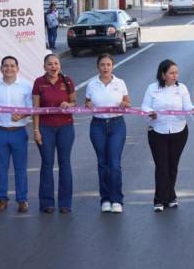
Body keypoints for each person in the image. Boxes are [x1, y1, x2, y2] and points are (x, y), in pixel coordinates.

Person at [143, 60, 194, 212]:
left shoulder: (181, 88)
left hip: (179, 131)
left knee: (173, 166)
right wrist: (150, 113)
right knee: (162, 167)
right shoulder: (152, 88)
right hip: (158, 131)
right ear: (163, 74)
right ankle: (159, 200)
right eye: (171, 73)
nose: (174, 75)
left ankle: (171, 196)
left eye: (176, 73)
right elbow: (145, 106)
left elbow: (188, 106)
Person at [0, 55, 33, 213]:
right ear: (1, 69)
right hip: (0, 132)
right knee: (1, 168)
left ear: (17, 69)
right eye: (6, 66)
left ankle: (22, 200)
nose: (9, 68)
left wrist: (22, 115)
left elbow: (31, 108)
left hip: (18, 132)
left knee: (20, 168)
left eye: (12, 66)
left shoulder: (26, 86)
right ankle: (2, 199)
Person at [86, 53, 131, 213]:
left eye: (108, 64)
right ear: (97, 67)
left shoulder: (120, 83)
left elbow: (127, 101)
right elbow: (87, 102)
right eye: (102, 65)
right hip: (97, 125)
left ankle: (117, 199)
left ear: (112, 66)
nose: (105, 67)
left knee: (115, 164)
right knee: (102, 163)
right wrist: (88, 104)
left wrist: (125, 103)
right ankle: (105, 199)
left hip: (117, 125)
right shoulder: (92, 84)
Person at [32, 54, 77, 214]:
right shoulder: (39, 82)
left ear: (60, 65)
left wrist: (68, 104)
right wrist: (36, 130)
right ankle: (47, 203)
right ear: (44, 67)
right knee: (47, 163)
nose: (53, 66)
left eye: (56, 63)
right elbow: (35, 109)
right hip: (45, 128)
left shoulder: (67, 81)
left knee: (65, 163)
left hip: (66, 128)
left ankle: (65, 203)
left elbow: (75, 103)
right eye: (50, 64)